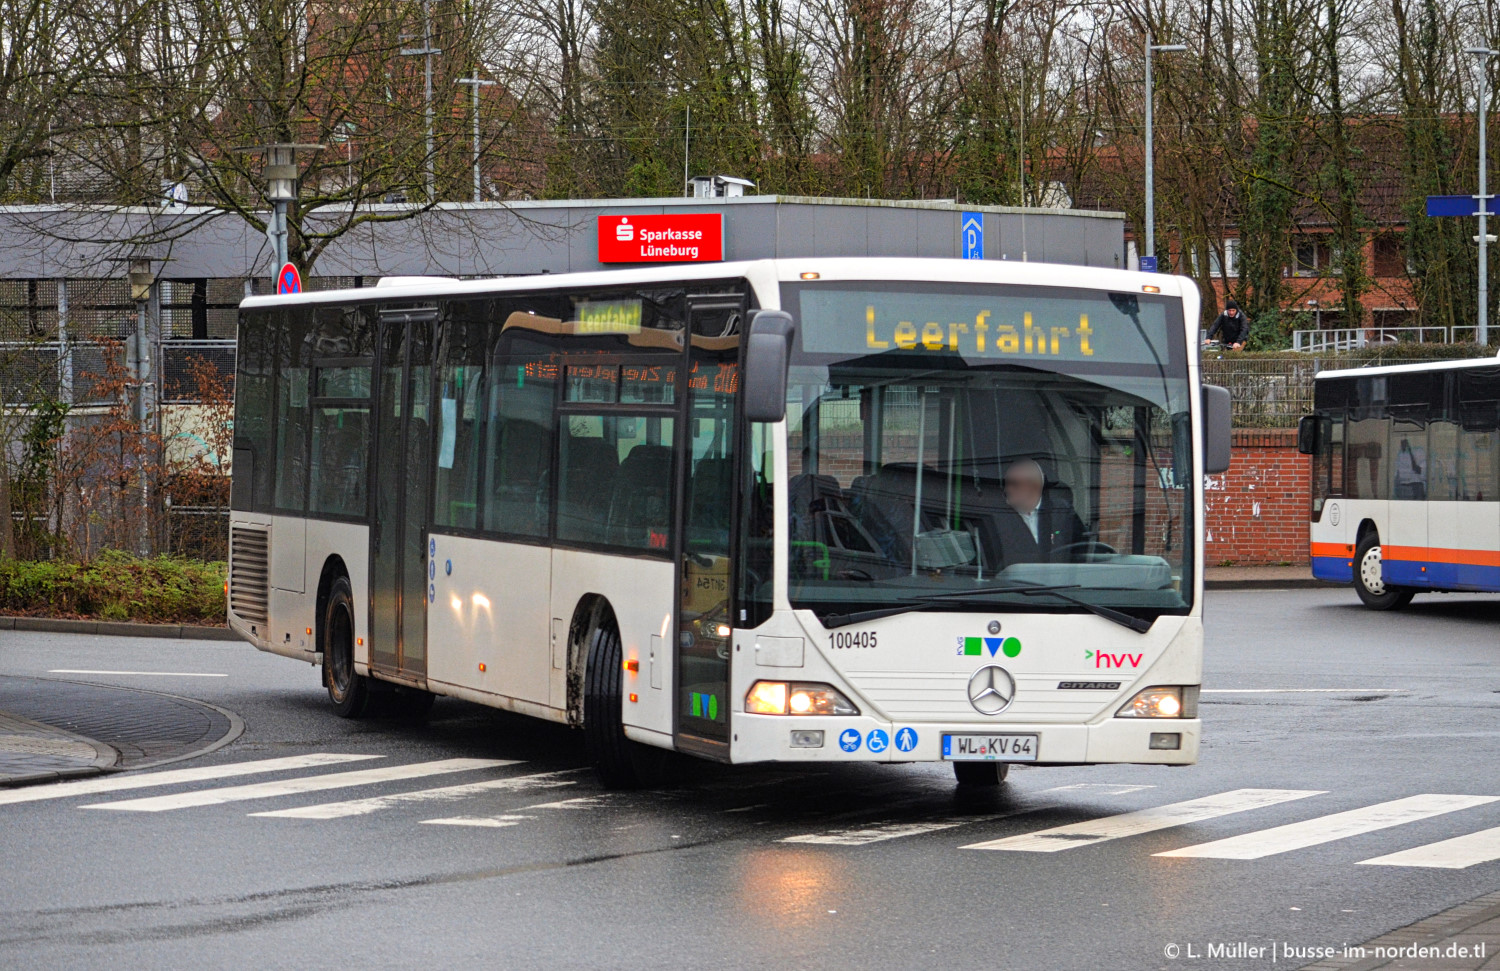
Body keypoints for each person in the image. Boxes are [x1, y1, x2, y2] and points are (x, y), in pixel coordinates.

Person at [992, 459, 1087, 566]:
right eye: (1006, 483)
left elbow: (1084, 552)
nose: (1007, 489)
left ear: (1035, 486)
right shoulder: (997, 517)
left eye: (1013, 484)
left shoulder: (1062, 512)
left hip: (1060, 580)